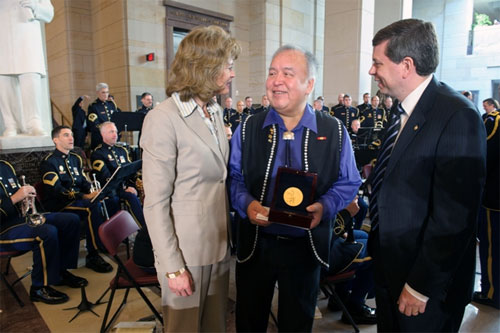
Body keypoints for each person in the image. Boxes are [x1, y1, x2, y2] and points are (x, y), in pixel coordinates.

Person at [230, 45, 361, 332]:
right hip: (256, 244)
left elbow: (349, 181)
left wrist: (325, 206)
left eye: (287, 74)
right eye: (272, 72)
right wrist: (246, 203)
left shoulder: (336, 130)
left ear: (309, 84)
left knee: (298, 321)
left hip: (306, 246)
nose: (276, 81)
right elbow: (234, 177)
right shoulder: (248, 128)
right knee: (249, 319)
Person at [367, 19, 486, 332]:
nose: (371, 70)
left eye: (377, 62)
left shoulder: (456, 114)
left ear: (406, 65)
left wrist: (420, 285)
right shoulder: (401, 110)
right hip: (390, 271)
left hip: (424, 289)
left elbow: (455, 216)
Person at [140, 25, 241, 332]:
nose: (232, 73)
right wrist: (172, 267)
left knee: (214, 327)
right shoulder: (162, 119)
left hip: (218, 245)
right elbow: (155, 203)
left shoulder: (213, 111)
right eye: (228, 66)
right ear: (205, 68)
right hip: (185, 254)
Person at [1, 160, 86, 304]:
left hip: (21, 219)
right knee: (46, 232)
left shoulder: (5, 166)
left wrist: (26, 198)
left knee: (70, 220)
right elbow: (12, 199)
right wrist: (15, 198)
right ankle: (39, 287)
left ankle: (60, 271)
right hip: (3, 229)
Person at [40, 126, 112, 273]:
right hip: (60, 203)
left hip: (78, 201)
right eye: (66, 135)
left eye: (72, 135)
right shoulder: (48, 162)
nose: (71, 138)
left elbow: (82, 181)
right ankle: (93, 255)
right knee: (91, 207)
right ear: (55, 140)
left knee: (102, 199)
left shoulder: (75, 159)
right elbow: (57, 190)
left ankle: (103, 241)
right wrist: (84, 196)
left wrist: (93, 190)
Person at [0, 0, 53, 137]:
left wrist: (35, 6)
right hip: (3, 41)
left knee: (30, 80)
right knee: (4, 83)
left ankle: (34, 122)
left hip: (27, 41)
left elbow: (49, 13)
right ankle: (11, 124)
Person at [326, 198, 376, 325]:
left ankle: (340, 297)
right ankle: (355, 308)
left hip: (326, 237)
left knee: (365, 236)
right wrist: (345, 214)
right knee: (377, 249)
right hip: (319, 251)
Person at [90, 121, 145, 228]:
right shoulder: (98, 153)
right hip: (111, 190)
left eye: (115, 131)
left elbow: (131, 171)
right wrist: (125, 188)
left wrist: (133, 185)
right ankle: (144, 230)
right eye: (111, 132)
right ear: (103, 134)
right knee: (131, 197)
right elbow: (105, 177)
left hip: (126, 186)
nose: (115, 134)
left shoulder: (122, 150)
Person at [473, 107, 500, 309]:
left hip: (495, 197)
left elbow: (483, 157)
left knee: (492, 246)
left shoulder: (494, 121)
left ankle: (491, 292)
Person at [87, 83, 120, 149]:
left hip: (113, 138)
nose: (106, 95)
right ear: (98, 93)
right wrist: (107, 131)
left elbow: (117, 119)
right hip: (100, 138)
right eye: (103, 92)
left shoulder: (111, 105)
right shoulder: (93, 106)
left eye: (107, 92)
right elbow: (94, 125)